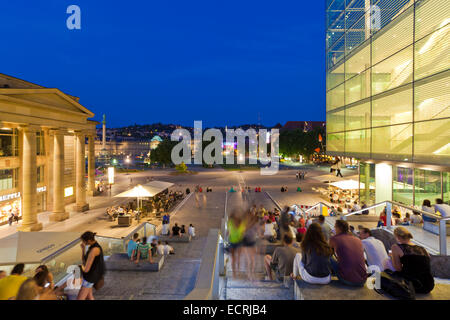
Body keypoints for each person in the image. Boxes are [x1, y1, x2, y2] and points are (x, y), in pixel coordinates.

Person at [387, 227, 434, 294]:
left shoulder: (396, 247)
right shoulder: (422, 249)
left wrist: (392, 257)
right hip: (429, 286)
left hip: (412, 285)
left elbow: (398, 268)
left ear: (397, 237)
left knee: (386, 269)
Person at [329, 220, 367, 287]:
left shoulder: (334, 239)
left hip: (347, 280)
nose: (334, 229)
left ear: (338, 228)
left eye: (335, 227)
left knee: (327, 256)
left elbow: (328, 253)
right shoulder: (357, 239)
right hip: (363, 280)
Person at [77, 231, 105, 300]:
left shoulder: (94, 250)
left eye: (84, 241)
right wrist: (83, 250)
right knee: (89, 297)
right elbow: (84, 261)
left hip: (89, 278)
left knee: (80, 298)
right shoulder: (92, 247)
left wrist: (80, 267)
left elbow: (86, 269)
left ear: (89, 240)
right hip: (91, 276)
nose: (83, 243)